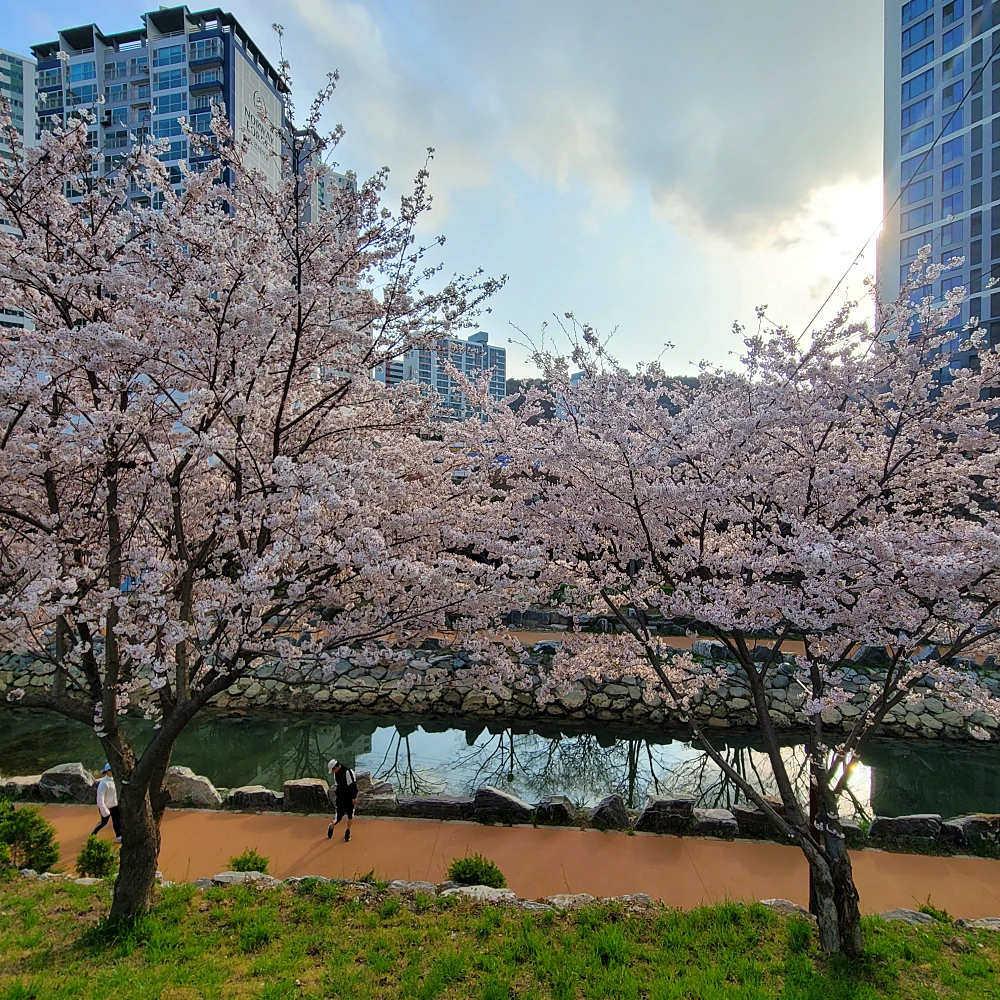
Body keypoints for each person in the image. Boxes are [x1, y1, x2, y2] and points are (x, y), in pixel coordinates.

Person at [326, 759, 358, 842]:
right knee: (338, 817)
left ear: (336, 767)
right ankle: (331, 826)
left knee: (350, 815)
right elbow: (338, 785)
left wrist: (354, 797)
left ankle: (348, 831)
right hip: (340, 798)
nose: (333, 772)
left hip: (349, 798)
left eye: (333, 770)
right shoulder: (335, 774)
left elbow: (353, 785)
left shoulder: (348, 772)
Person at [92, 764, 121, 842]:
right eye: (110, 770)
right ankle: (92, 835)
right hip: (106, 807)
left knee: (116, 821)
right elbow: (100, 798)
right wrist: (104, 809)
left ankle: (118, 836)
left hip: (115, 805)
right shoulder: (104, 783)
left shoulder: (115, 780)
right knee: (103, 823)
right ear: (107, 771)